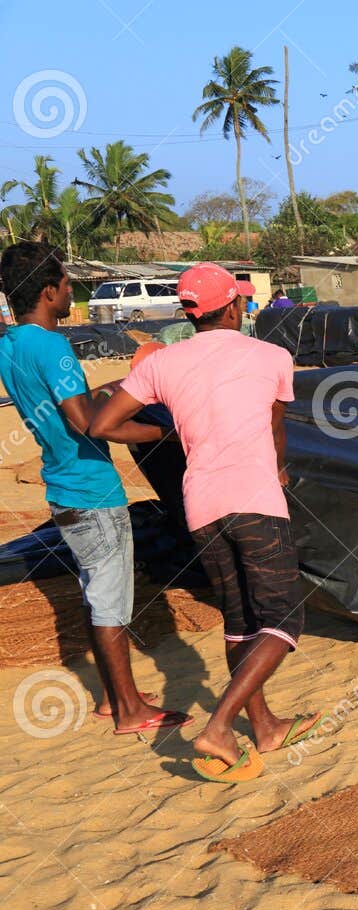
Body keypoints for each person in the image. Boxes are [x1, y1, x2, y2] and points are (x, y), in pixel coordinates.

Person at [92, 262, 319, 783]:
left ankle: (263, 725)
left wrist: (169, 437)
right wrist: (278, 470)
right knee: (285, 618)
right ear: (235, 307)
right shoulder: (271, 356)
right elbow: (274, 427)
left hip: (201, 505)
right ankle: (219, 726)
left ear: (190, 313)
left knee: (240, 622)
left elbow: (104, 423)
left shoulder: (162, 364)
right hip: (254, 497)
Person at [0, 243, 189, 735]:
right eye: (65, 284)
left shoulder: (11, 345)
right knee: (110, 602)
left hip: (62, 486)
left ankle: (114, 696)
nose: (70, 291)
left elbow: (67, 406)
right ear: (48, 291)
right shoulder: (52, 346)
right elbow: (90, 425)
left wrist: (108, 392)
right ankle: (129, 711)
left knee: (95, 595)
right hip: (93, 491)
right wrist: (164, 432)